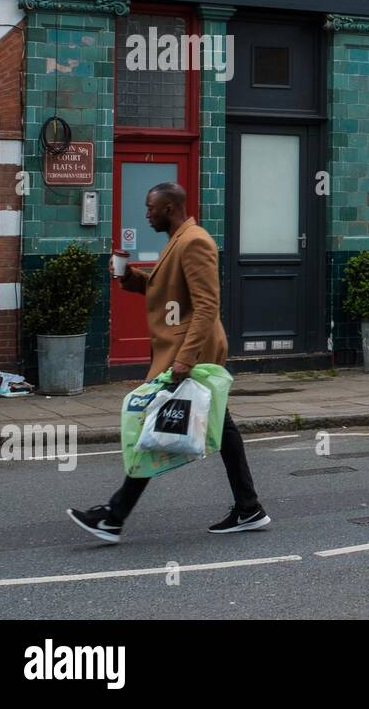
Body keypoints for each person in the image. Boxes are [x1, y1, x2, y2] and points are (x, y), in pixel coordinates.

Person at [68, 182, 270, 543]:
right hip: (182, 352)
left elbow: (207, 306)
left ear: (170, 208)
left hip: (190, 354)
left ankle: (114, 516)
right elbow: (169, 293)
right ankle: (249, 507)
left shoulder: (195, 241)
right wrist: (128, 277)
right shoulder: (178, 239)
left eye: (151, 208)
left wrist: (184, 360)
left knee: (151, 425)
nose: (146, 214)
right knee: (219, 430)